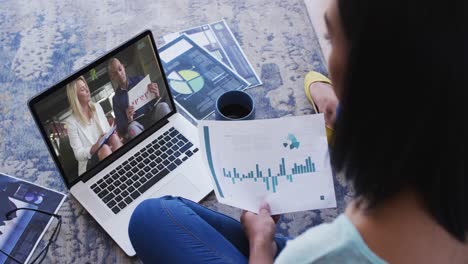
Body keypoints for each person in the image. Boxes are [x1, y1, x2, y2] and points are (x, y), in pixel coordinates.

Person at [127, 0, 467, 263]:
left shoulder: (321, 252)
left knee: (150, 218)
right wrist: (332, 98)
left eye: (331, 39)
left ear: (369, 75)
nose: (328, 59)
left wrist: (262, 245)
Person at [66, 76, 123, 176]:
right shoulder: (71, 122)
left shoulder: (96, 107)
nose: (87, 90)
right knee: (104, 149)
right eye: (82, 89)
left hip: (105, 148)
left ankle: (126, 168)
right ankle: (118, 177)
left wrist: (111, 132)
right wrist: (95, 147)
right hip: (89, 160)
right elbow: (78, 154)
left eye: (86, 87)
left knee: (114, 137)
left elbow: (106, 130)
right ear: (75, 96)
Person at [108, 58, 171, 140]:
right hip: (137, 124)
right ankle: (148, 150)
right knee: (132, 128)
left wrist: (157, 95)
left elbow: (156, 102)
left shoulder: (139, 80)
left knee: (163, 106)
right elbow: (121, 127)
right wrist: (128, 119)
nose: (119, 74)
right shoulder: (116, 99)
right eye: (115, 74)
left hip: (152, 114)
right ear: (112, 77)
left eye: (120, 69)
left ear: (123, 67)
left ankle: (172, 133)